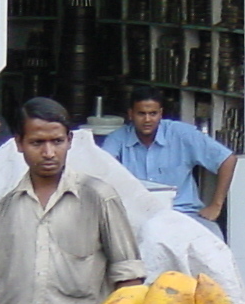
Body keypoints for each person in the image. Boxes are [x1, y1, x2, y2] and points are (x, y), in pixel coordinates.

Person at [0, 98, 144, 304]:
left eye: (57, 141)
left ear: (70, 141)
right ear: (18, 144)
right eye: (37, 143)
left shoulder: (99, 199)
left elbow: (129, 283)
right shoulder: (4, 210)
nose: (49, 153)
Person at [100, 87, 237, 231]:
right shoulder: (118, 138)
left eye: (153, 114)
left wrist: (216, 205)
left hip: (183, 214)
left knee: (214, 244)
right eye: (141, 114)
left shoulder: (181, 133)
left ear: (161, 114)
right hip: (136, 217)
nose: (147, 119)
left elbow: (227, 159)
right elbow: (101, 170)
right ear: (131, 114)